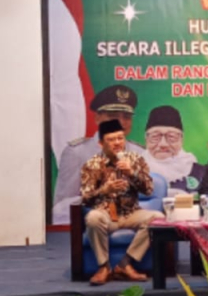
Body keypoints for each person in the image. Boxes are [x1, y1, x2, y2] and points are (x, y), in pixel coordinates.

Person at [80, 119, 163, 285]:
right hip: (106, 214)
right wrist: (104, 190)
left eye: (120, 138)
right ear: (101, 143)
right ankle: (103, 267)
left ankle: (125, 264)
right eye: (111, 140)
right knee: (93, 218)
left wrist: (132, 173)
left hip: (131, 213)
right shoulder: (92, 164)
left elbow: (148, 190)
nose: (117, 143)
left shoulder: (136, 160)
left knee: (158, 218)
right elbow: (85, 198)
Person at [50, 84, 143, 224]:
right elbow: (62, 206)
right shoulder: (77, 152)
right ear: (97, 118)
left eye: (127, 117)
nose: (121, 123)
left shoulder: (140, 152)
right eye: (113, 116)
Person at [140, 105, 204, 192]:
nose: (163, 144)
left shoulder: (200, 173)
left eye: (171, 137)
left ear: (181, 140)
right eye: (155, 137)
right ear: (146, 139)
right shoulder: (134, 170)